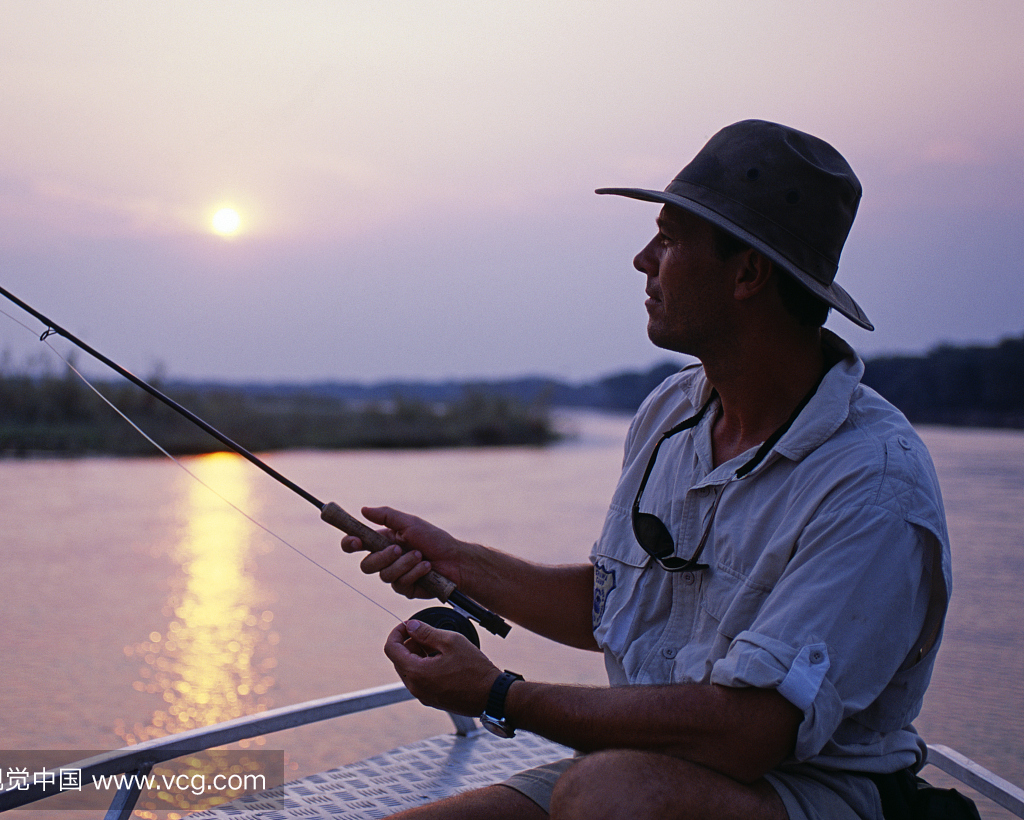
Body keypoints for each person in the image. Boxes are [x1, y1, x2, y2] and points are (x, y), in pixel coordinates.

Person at [341, 120, 951, 820]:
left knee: (607, 792)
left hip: (813, 794)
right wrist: (456, 559)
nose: (642, 259)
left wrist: (497, 693)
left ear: (748, 273)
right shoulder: (671, 411)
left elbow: (751, 735)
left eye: (669, 239)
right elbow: (610, 606)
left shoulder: (872, 483)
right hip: (642, 774)